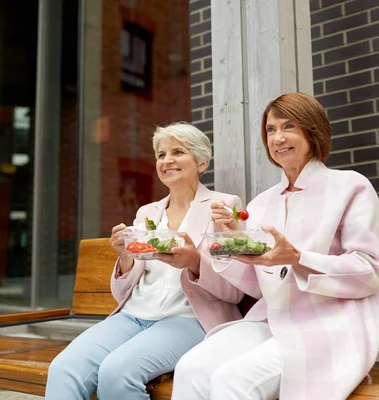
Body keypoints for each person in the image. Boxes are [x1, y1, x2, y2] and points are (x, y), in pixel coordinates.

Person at [172, 92, 379, 400]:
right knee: (191, 368)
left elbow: (369, 272)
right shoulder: (261, 203)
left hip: (329, 323)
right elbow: (258, 286)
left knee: (233, 381)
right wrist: (232, 240)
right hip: (271, 318)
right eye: (271, 129)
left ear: (313, 131)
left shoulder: (350, 187)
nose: (278, 137)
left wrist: (299, 259)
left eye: (289, 127)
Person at [45, 122, 244, 400]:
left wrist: (196, 262)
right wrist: (125, 257)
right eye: (161, 155)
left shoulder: (224, 206)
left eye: (178, 152)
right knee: (64, 368)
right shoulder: (147, 213)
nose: (167, 160)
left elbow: (235, 290)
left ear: (201, 162)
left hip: (189, 319)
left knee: (117, 372)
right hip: (133, 316)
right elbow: (123, 294)